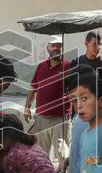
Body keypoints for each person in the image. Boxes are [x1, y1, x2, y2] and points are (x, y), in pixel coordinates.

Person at [25, 36, 72, 164]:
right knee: (41, 156)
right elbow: (33, 88)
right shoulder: (41, 66)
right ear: (48, 47)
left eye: (59, 45)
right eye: (53, 45)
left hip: (60, 118)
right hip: (41, 118)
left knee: (63, 156)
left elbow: (76, 89)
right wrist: (27, 107)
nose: (56, 48)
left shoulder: (69, 66)